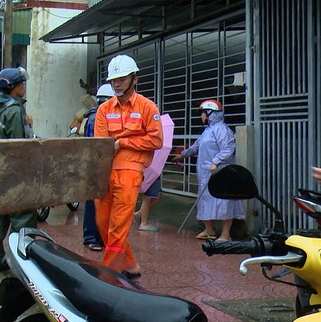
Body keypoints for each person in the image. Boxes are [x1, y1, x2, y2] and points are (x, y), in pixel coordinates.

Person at [94, 54, 163, 279]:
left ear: (135, 79)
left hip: (130, 171)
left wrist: (123, 142)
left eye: (122, 79)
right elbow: (101, 142)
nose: (116, 84)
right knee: (103, 222)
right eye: (114, 80)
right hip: (105, 171)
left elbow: (156, 140)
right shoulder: (104, 109)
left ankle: (109, 272)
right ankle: (131, 265)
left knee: (118, 226)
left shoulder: (147, 107)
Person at [0, 67, 38, 274]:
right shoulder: (15, 111)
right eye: (21, 83)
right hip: (14, 175)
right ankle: (21, 268)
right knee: (23, 220)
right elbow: (19, 147)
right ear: (13, 87)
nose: (24, 86)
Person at [172, 99, 242, 242]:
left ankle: (225, 234)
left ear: (210, 113)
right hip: (206, 173)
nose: (201, 116)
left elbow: (228, 149)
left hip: (220, 172)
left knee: (224, 202)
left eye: (203, 113)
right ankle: (209, 230)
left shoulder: (222, 130)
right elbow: (196, 147)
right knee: (205, 200)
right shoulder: (208, 131)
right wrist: (183, 155)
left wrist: (216, 161)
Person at [81, 83, 114, 251]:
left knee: (99, 202)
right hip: (97, 166)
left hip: (98, 165)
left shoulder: (99, 115)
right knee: (93, 203)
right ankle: (91, 237)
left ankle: (98, 236)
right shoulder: (97, 118)